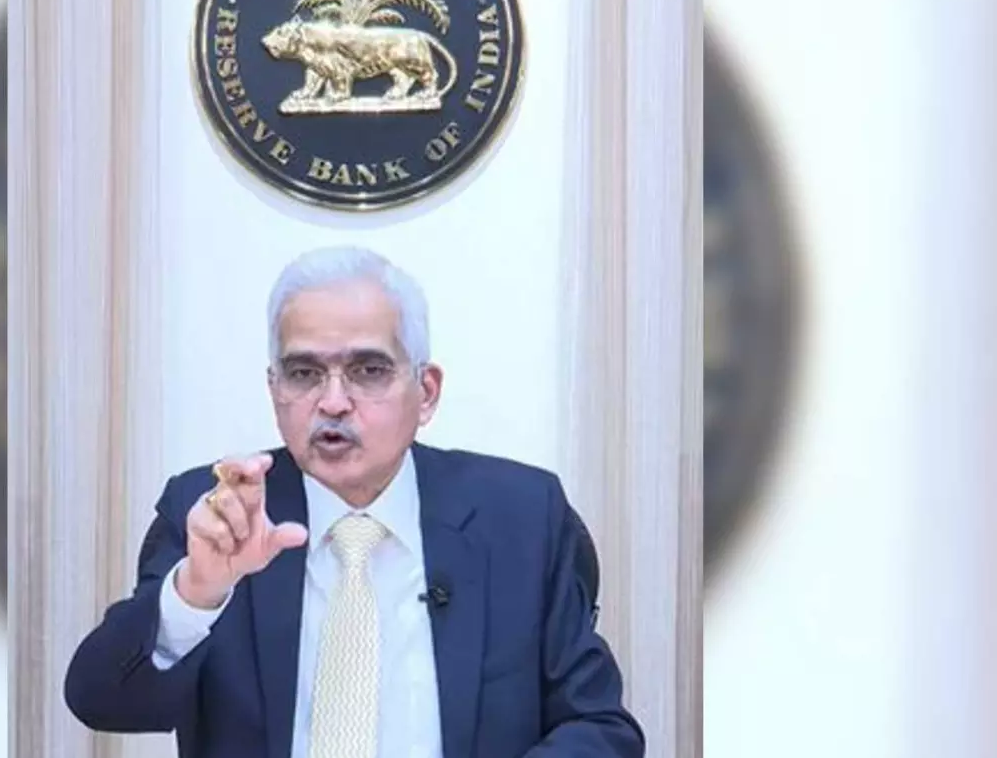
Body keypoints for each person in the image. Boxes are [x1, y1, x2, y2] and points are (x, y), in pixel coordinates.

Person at [63, 246, 645, 758]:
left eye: (368, 370)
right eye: (304, 372)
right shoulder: (219, 512)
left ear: (426, 392)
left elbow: (600, 728)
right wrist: (197, 594)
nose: (334, 401)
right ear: (274, 389)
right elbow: (100, 702)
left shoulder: (519, 517)